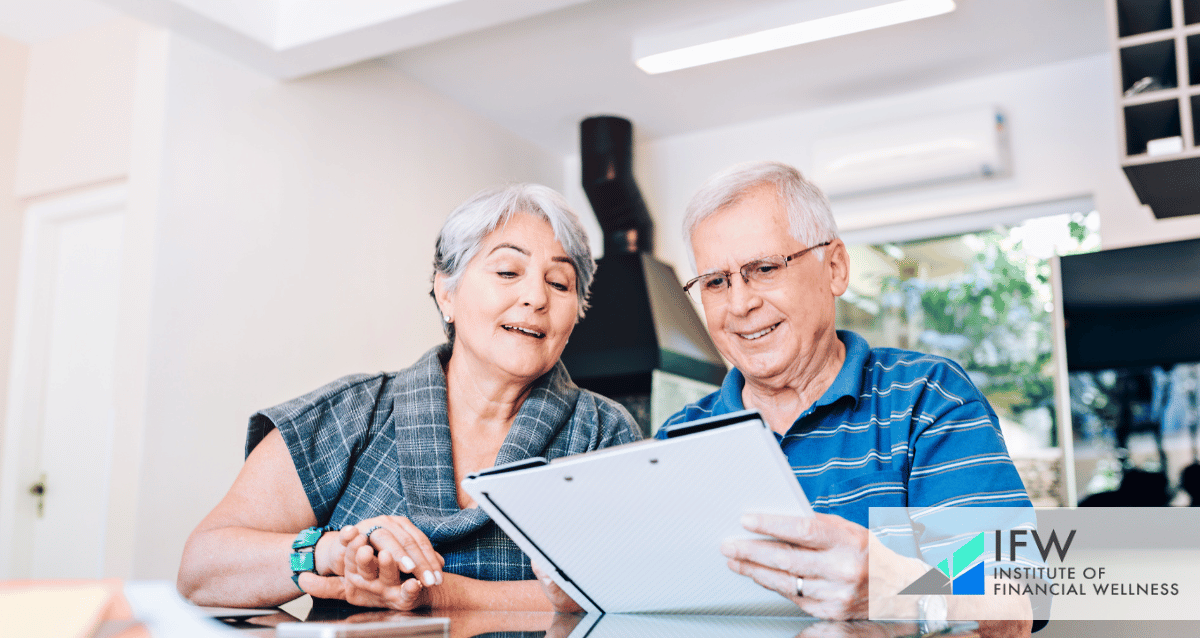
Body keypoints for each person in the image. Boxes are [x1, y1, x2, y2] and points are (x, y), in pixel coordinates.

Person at [178, 184, 641, 611]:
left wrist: (437, 594)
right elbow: (201, 570)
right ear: (447, 293)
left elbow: (630, 589)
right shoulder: (353, 413)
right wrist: (333, 551)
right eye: (507, 270)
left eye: (559, 283)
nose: (536, 297)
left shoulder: (603, 433)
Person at [656, 161, 1037, 636]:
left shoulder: (929, 399)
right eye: (716, 282)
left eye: (765, 269)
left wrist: (898, 591)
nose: (739, 304)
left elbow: (1013, 600)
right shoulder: (677, 438)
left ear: (834, 268)